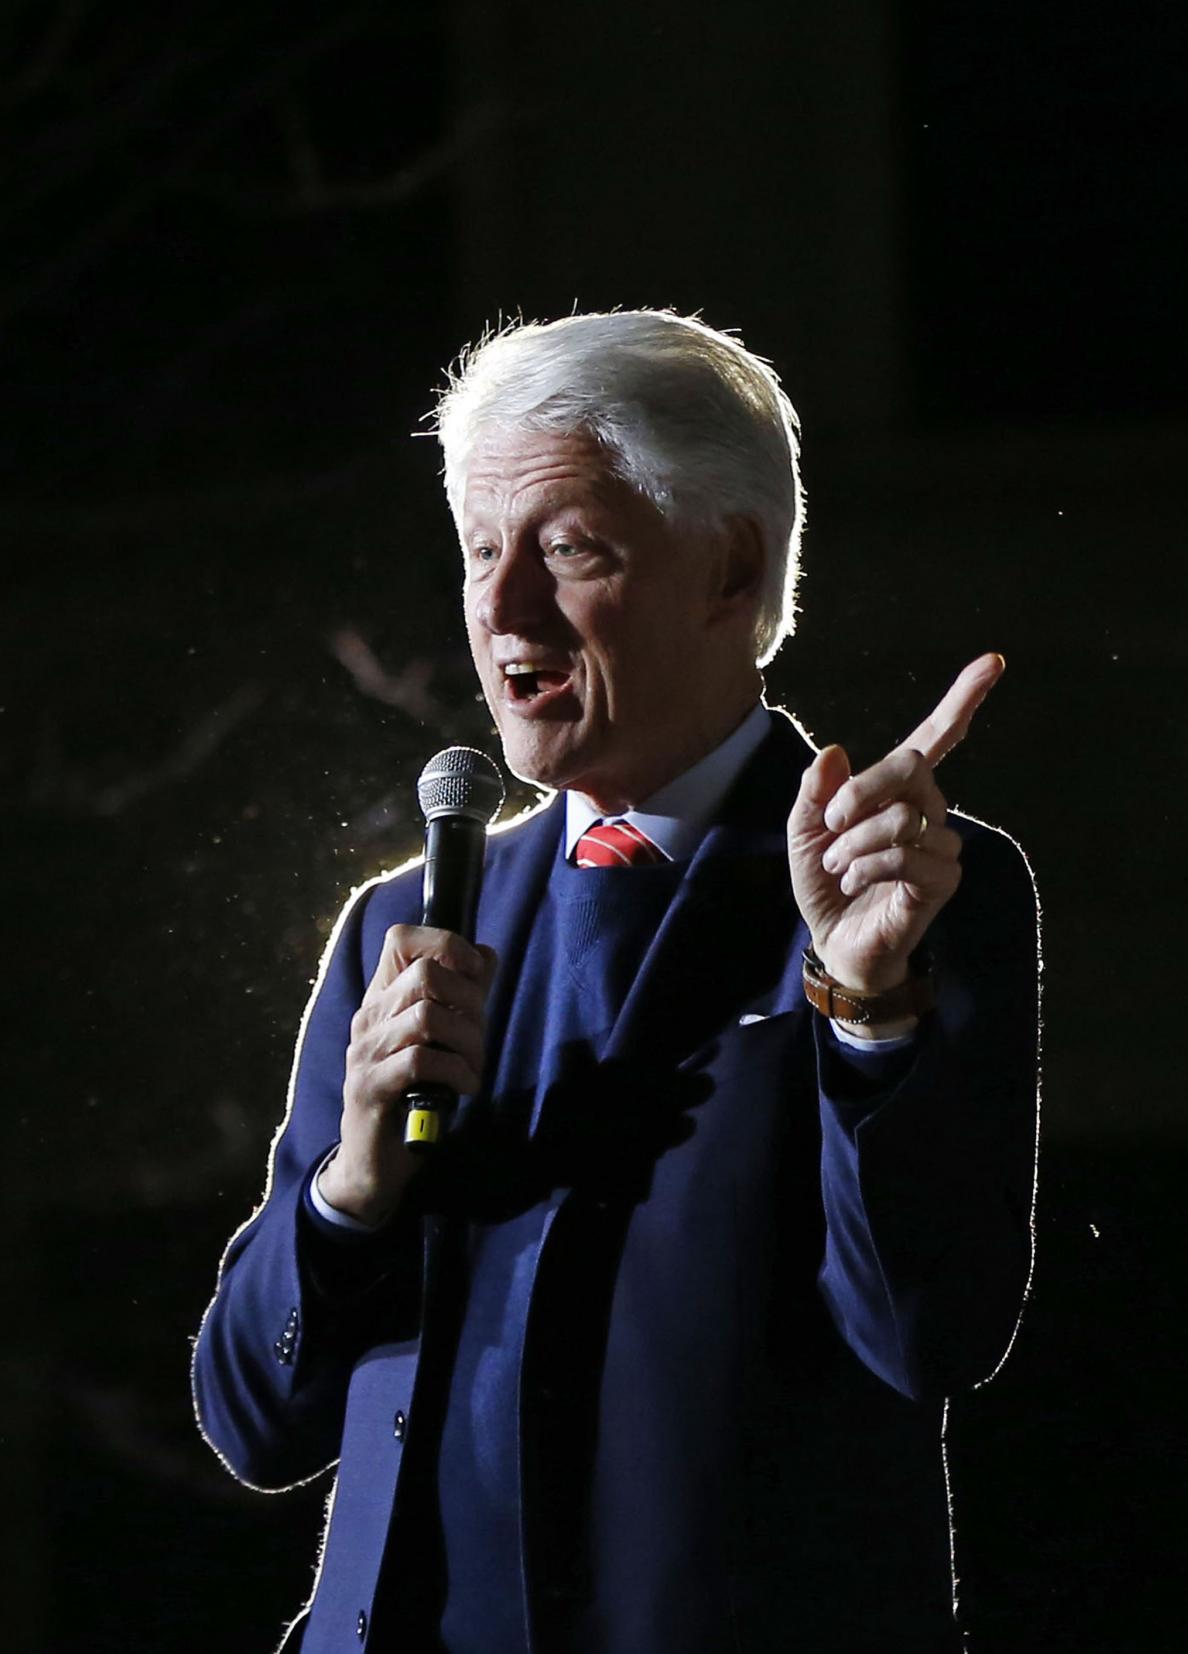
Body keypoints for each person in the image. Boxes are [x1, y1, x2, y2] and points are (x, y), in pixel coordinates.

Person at [191, 311, 1040, 1653]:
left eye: (568, 549)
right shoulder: (399, 929)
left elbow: (930, 1330)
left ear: (730, 567)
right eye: (481, 550)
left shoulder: (918, 894)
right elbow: (253, 1419)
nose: (503, 607)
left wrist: (870, 1011)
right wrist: (351, 1186)